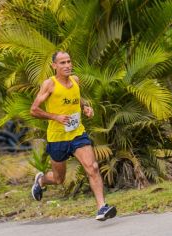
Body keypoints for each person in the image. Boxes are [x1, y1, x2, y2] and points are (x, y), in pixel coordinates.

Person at [30, 51, 116, 221]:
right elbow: (34, 110)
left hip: (77, 134)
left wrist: (85, 107)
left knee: (92, 167)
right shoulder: (50, 84)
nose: (67, 65)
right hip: (57, 138)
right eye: (62, 63)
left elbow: (77, 97)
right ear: (54, 66)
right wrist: (55, 117)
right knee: (59, 178)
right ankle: (41, 180)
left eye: (69, 61)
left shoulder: (75, 80)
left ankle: (101, 208)